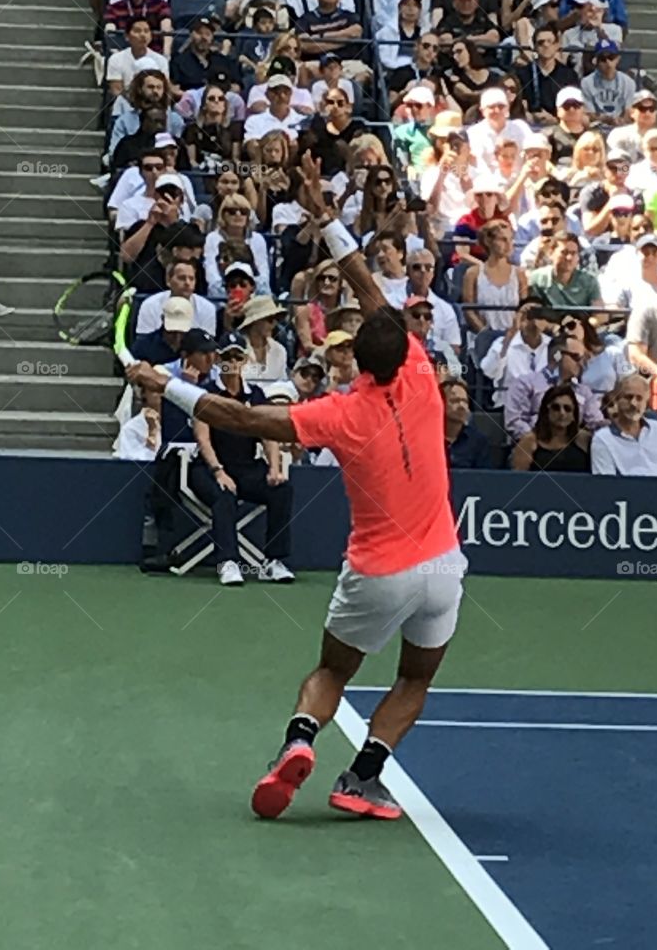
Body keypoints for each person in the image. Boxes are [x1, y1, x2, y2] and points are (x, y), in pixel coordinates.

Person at [128, 151, 468, 823]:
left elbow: (241, 416)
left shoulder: (337, 413)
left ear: (355, 359)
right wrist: (328, 220)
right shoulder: (423, 370)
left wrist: (166, 383)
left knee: (332, 672)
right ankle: (362, 778)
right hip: (442, 570)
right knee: (415, 678)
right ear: (402, 346)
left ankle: (298, 742)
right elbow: (370, 288)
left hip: (377, 572)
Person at [188, 331, 295, 586]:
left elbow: (268, 435)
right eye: (226, 357)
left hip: (246, 467)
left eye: (237, 356)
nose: (232, 362)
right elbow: (203, 438)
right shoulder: (206, 395)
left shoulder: (256, 395)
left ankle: (273, 561)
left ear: (244, 360)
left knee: (281, 490)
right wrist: (218, 471)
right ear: (217, 360)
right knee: (224, 494)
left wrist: (275, 468)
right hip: (208, 468)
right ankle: (228, 562)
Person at [590, 374, 657, 476]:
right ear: (616, 400)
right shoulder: (602, 439)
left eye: (639, 398)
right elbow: (605, 485)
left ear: (646, 403)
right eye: (628, 397)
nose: (633, 403)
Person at [511, 382, 592, 472]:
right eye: (556, 407)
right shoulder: (529, 441)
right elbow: (518, 478)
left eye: (567, 409)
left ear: (574, 415)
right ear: (546, 412)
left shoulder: (584, 440)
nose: (562, 413)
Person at [442, 378, 492, 468]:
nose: (461, 406)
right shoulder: (427, 439)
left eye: (465, 401)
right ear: (440, 404)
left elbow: (484, 478)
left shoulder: (478, 441)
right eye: (455, 401)